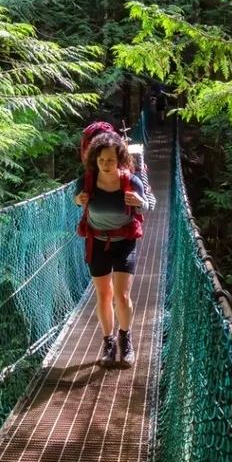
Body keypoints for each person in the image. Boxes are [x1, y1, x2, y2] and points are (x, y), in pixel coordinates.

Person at [74, 131, 149, 367]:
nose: (105, 164)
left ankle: (126, 339)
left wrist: (140, 202)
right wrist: (78, 200)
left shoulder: (131, 181)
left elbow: (145, 206)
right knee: (104, 295)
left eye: (110, 160)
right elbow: (76, 198)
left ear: (120, 160)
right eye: (101, 160)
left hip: (124, 241)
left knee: (122, 296)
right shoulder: (87, 181)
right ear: (94, 159)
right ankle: (108, 343)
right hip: (96, 242)